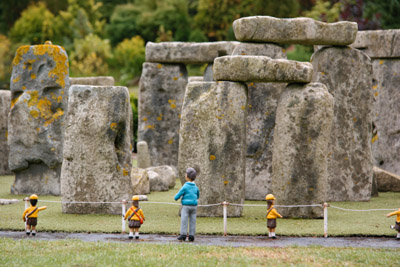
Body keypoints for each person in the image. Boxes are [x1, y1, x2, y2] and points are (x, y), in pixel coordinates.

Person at [174, 167, 199, 242]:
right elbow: (198, 195)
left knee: (184, 220)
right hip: (194, 206)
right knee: (193, 220)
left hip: (186, 206)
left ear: (187, 176)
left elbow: (179, 194)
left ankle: (183, 234)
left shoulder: (185, 186)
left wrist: (176, 198)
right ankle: (191, 235)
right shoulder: (195, 187)